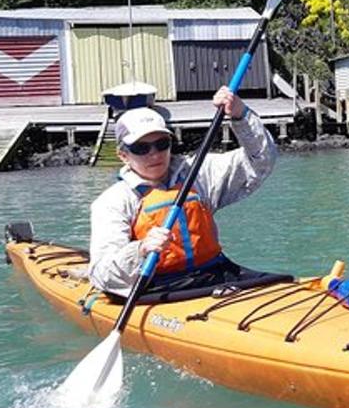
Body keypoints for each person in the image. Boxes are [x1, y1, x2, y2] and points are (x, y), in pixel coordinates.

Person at [88, 86, 280, 297]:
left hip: (215, 273)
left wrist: (240, 114)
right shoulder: (113, 202)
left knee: (282, 281)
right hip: (158, 285)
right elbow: (102, 274)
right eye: (141, 148)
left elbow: (262, 161)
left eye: (162, 144)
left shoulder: (197, 173)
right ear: (123, 155)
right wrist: (140, 249)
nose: (155, 155)